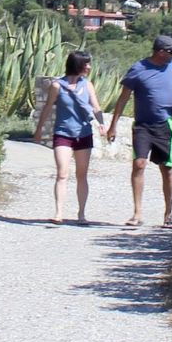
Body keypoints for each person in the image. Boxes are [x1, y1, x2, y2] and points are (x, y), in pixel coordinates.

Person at [103, 34, 172, 228]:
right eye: (171, 52)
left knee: (167, 168)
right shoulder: (138, 70)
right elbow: (123, 98)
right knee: (139, 164)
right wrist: (113, 125)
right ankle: (137, 213)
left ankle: (168, 216)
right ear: (160, 52)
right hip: (143, 125)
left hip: (166, 124)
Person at [32, 50, 102, 224]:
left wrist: (102, 124)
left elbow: (95, 106)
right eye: (86, 64)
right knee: (62, 173)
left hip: (84, 133)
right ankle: (59, 213)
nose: (89, 67)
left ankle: (81, 214)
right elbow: (48, 108)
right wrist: (39, 129)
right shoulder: (57, 86)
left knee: (81, 174)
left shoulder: (88, 85)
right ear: (77, 65)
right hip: (63, 133)